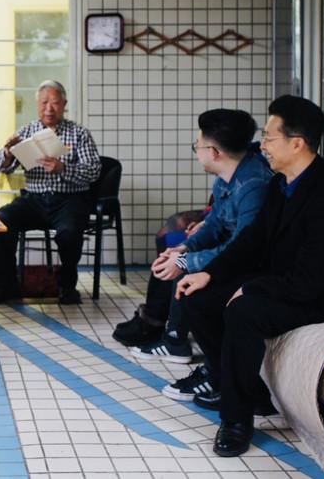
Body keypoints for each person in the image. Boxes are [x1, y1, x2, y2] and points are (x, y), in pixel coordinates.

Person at [170, 95, 324, 458]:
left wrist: (249, 287)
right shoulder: (282, 184)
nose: (261, 145)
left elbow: (310, 282)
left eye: (269, 137)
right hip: (285, 278)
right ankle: (244, 389)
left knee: (243, 311)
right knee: (196, 297)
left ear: (297, 143)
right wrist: (208, 273)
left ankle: (236, 420)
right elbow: (253, 238)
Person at [115, 109, 271, 374]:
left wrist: (187, 260)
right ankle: (164, 331)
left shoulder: (253, 186)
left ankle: (179, 344)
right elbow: (215, 223)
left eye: (197, 145)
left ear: (214, 152)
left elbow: (242, 248)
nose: (196, 151)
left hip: (252, 264)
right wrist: (184, 248)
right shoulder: (228, 177)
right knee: (173, 250)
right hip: (235, 253)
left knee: (187, 268)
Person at [0, 80, 102, 306]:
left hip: (69, 200)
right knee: (3, 219)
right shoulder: (26, 131)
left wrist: (63, 168)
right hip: (34, 200)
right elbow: (0, 166)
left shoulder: (79, 133)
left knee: (69, 232)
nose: (49, 108)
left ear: (64, 104)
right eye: (44, 102)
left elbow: (94, 170)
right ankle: (5, 286)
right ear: (37, 104)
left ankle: (67, 286)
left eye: (55, 103)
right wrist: (7, 152)